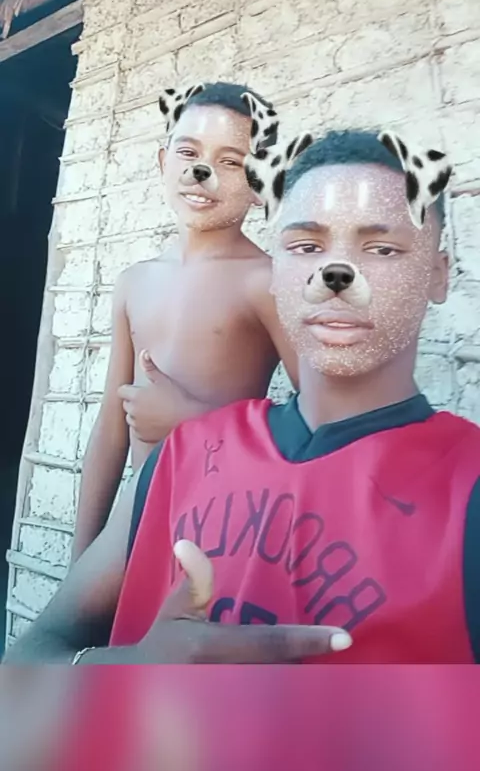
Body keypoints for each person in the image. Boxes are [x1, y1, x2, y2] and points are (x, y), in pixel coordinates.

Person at [5, 126, 480, 665]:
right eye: (306, 246)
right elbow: (24, 666)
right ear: (275, 270)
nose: (337, 273)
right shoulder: (178, 459)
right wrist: (122, 669)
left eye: (382, 248)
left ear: (438, 275)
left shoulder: (467, 486)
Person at [71, 80, 298, 562]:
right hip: (136, 524)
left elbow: (322, 421)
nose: (202, 172)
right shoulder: (134, 282)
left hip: (225, 531)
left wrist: (192, 422)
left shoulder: (267, 282)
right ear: (163, 162)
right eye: (189, 152)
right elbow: (112, 426)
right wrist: (82, 557)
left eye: (230, 162)